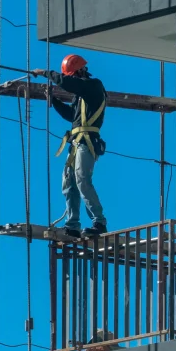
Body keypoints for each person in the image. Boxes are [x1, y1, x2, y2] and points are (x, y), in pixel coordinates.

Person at [33, 54, 108, 237]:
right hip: (76, 141)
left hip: (87, 141)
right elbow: (72, 116)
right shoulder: (81, 96)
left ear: (81, 71)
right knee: (69, 183)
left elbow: (68, 83)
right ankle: (72, 225)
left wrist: (44, 73)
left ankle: (99, 222)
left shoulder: (93, 86)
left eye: (73, 75)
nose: (71, 79)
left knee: (82, 179)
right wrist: (54, 100)